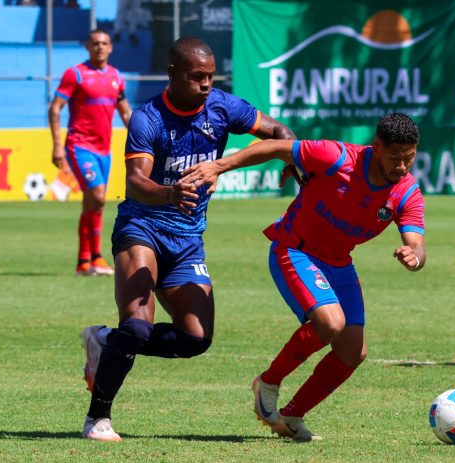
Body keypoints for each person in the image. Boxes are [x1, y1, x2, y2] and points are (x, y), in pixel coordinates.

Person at [79, 37, 295, 442]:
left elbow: (277, 129)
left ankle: (105, 340)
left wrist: (292, 157)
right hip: (141, 228)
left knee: (196, 339)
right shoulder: (148, 119)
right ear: (173, 73)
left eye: (211, 76)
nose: (206, 84)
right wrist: (169, 192)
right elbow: (136, 182)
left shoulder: (223, 107)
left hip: (188, 240)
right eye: (197, 76)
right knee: (139, 327)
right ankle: (98, 419)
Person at [182, 112, 426, 441]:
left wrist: (414, 257)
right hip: (295, 250)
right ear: (376, 146)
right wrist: (218, 167)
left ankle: (293, 415)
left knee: (353, 351)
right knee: (330, 323)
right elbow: (274, 147)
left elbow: (418, 245)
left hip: (338, 264)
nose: (402, 167)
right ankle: (267, 383)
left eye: (409, 159)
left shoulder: (407, 192)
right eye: (395, 158)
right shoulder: (336, 157)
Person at [48, 29, 132, 276]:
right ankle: (97, 257)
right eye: (95, 43)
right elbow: (55, 108)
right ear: (87, 46)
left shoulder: (116, 76)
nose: (100, 47)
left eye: (104, 43)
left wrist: (143, 138)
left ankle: (83, 261)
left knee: (94, 204)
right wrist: (56, 144)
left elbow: (125, 111)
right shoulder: (75, 74)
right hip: (79, 145)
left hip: (104, 150)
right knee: (98, 196)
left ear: (111, 47)